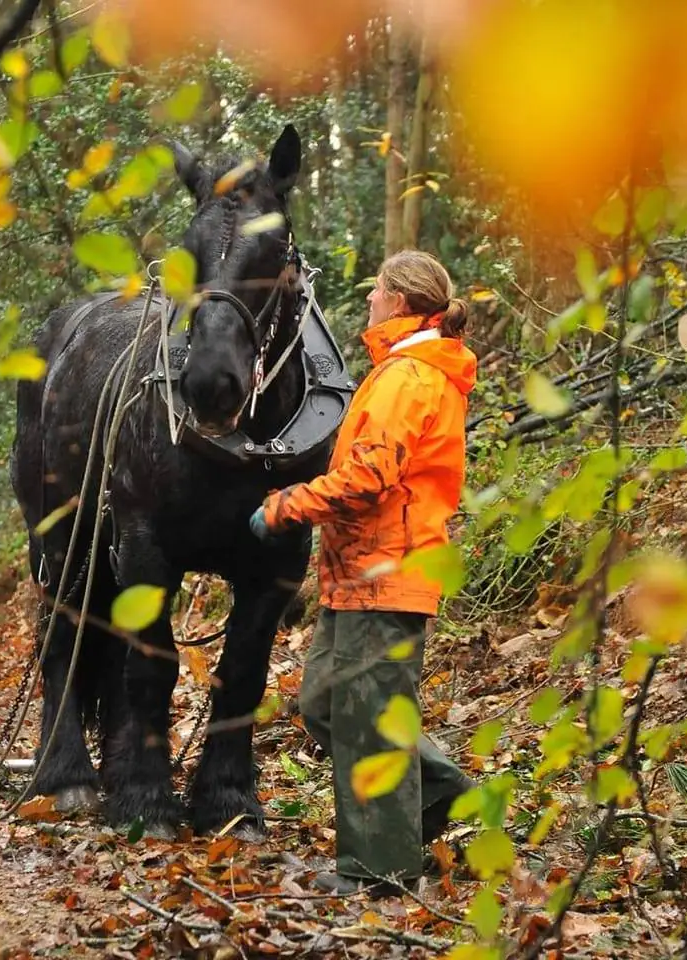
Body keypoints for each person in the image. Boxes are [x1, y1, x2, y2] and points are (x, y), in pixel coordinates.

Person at [250, 249, 478, 894]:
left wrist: (287, 506)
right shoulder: (398, 371)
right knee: (324, 703)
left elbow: (369, 478)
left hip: (387, 571)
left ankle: (377, 869)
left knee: (368, 720)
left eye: (377, 291)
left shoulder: (409, 376)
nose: (370, 300)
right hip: (358, 575)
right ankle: (445, 796)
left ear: (401, 303)